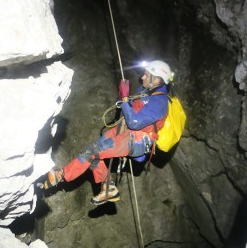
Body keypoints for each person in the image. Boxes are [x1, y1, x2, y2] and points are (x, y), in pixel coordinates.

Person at [42, 60, 174, 206]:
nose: (142, 77)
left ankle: (62, 175)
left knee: (93, 152)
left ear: (156, 79)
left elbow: (134, 122)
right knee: (91, 150)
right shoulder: (146, 93)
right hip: (123, 133)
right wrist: (125, 97)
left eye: (147, 75)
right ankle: (108, 188)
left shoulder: (159, 103)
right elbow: (131, 108)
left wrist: (124, 100)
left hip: (135, 141)